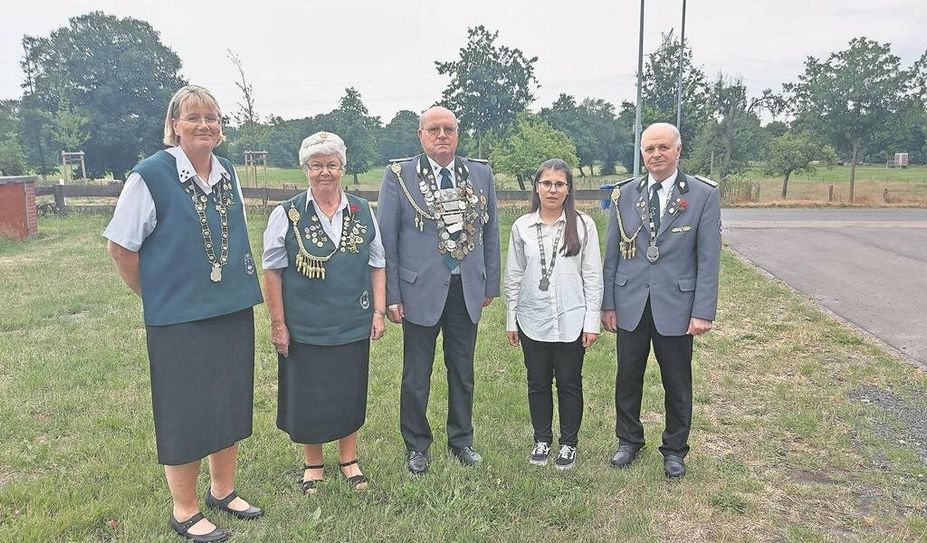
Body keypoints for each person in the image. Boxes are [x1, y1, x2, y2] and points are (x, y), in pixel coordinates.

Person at [104, 85, 264, 543]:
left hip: (231, 306)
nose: (204, 125)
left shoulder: (228, 170)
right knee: (185, 410)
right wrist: (156, 297)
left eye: (212, 117)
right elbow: (121, 248)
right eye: (194, 116)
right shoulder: (150, 176)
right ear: (174, 124)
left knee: (229, 400)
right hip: (178, 318)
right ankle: (184, 509)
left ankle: (223, 490)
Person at [377, 106, 501, 475]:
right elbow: (387, 240)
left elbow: (491, 233)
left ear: (458, 133)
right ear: (421, 135)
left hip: (466, 289)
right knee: (417, 374)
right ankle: (417, 445)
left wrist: (488, 283)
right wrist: (392, 295)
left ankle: (461, 440)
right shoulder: (398, 176)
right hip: (419, 293)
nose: (442, 135)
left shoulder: (480, 173)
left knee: (462, 371)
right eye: (434, 129)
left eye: (449, 129)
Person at [261, 132, 386, 494]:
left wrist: (378, 311)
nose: (325, 172)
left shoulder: (363, 210)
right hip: (305, 327)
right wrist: (278, 323)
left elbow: (378, 263)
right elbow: (273, 271)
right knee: (309, 393)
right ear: (306, 170)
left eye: (332, 164)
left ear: (342, 168)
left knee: (349, 390)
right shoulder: (286, 214)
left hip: (352, 322)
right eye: (317, 165)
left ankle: (349, 460)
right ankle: (313, 463)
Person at [601, 122, 721, 478]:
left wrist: (703, 310)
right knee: (627, 376)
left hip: (677, 306)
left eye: (663, 148)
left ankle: (674, 449)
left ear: (678, 150)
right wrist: (608, 304)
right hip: (630, 302)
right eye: (649, 149)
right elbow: (612, 256)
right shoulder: (624, 194)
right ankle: (628, 440)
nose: (656, 155)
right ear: (642, 153)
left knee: (677, 380)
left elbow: (708, 258)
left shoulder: (702, 194)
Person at [503, 159, 602, 470]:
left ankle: (569, 443)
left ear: (568, 189)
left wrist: (592, 320)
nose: (553, 189)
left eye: (559, 184)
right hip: (533, 319)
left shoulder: (584, 225)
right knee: (537, 382)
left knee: (570, 382)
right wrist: (511, 318)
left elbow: (593, 276)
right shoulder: (522, 227)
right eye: (547, 183)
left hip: (572, 319)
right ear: (537, 187)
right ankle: (542, 438)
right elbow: (513, 275)